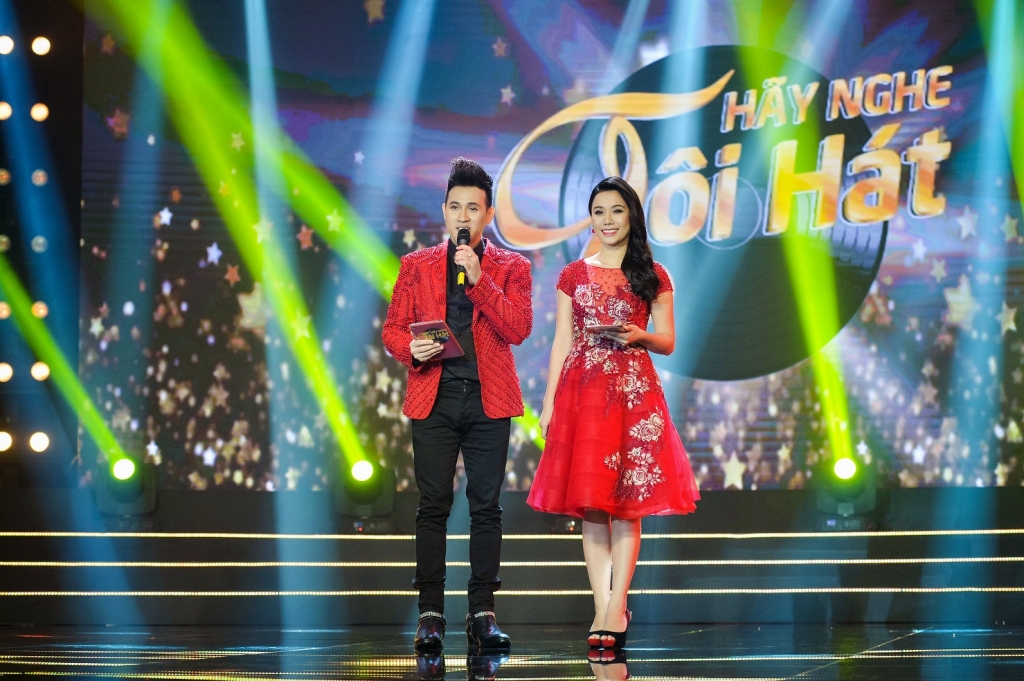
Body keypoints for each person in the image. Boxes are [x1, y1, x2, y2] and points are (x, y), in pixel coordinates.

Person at [527, 176, 699, 650]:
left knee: (626, 504)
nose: (607, 220)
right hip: (583, 395)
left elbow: (668, 341)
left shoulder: (653, 274)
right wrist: (548, 403)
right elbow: (562, 341)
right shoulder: (572, 275)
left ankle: (616, 605)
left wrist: (638, 335)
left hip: (632, 394)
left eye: (616, 211)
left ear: (631, 217)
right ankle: (603, 605)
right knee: (592, 505)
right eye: (599, 211)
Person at [382, 157, 533, 654]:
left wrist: (480, 278)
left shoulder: (513, 267)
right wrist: (412, 349)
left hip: (490, 399)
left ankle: (482, 614)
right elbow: (392, 329)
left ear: (488, 214)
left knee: (486, 507)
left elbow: (518, 328)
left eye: (472, 208)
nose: (462, 216)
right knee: (433, 506)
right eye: (454, 207)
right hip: (436, 395)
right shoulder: (416, 265)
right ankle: (429, 614)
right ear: (444, 210)